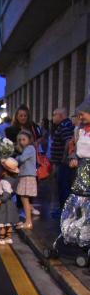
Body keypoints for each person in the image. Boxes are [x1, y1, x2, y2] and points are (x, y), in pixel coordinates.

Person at [62, 97, 90, 246]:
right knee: (79, 200)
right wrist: (73, 157)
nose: (80, 117)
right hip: (81, 168)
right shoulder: (78, 130)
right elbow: (74, 148)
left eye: (83, 114)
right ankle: (79, 235)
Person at [0, 158, 20, 245]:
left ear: (4, 171)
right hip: (9, 203)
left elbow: (6, 192)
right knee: (8, 221)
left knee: (1, 221)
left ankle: (1, 238)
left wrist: (0, 200)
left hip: (3, 204)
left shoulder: (4, 181)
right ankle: (8, 237)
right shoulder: (12, 179)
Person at [50, 107, 75, 212]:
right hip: (62, 162)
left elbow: (68, 142)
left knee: (63, 186)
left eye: (54, 115)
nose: (53, 118)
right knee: (63, 186)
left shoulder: (64, 126)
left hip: (63, 163)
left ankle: (64, 210)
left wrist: (64, 159)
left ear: (60, 115)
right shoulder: (66, 125)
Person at [15, 131, 37, 229]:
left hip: (27, 176)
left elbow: (22, 159)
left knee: (25, 199)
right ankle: (28, 220)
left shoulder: (30, 148)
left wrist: (16, 157)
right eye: (20, 140)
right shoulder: (26, 149)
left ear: (29, 139)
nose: (21, 142)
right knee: (24, 199)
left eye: (24, 139)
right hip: (25, 175)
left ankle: (28, 222)